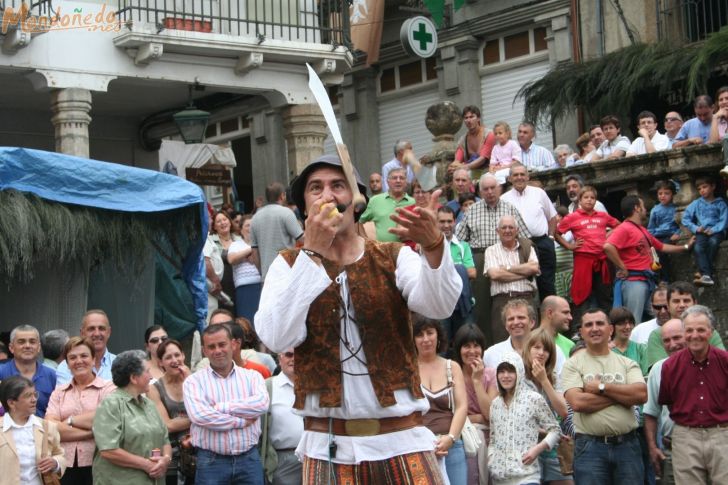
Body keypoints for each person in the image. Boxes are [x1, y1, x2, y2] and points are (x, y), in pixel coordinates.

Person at [255, 154, 462, 484]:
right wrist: (311, 255)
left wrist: (434, 245)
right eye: (315, 188)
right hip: (327, 447)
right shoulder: (288, 264)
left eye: (338, 185)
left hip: (402, 442)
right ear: (304, 208)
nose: (328, 196)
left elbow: (440, 306)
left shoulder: (392, 256)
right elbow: (277, 337)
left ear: (356, 200)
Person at [561, 309, 647, 484]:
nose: (594, 328)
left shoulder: (627, 363)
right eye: (588, 325)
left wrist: (602, 387)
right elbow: (578, 403)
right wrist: (622, 394)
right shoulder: (572, 365)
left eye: (600, 323)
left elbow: (641, 394)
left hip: (628, 446)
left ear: (610, 329)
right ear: (581, 332)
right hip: (590, 448)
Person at [184, 325, 268, 484]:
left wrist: (221, 408)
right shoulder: (193, 382)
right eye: (211, 347)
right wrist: (241, 421)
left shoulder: (253, 377)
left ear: (233, 345)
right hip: (211, 462)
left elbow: (262, 404)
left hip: (249, 460)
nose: (217, 350)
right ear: (204, 351)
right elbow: (200, 416)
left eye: (222, 344)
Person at [456, 173, 531, 344]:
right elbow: (460, 241)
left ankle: (510, 343)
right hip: (480, 257)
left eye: (492, 188)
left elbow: (525, 237)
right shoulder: (472, 210)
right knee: (481, 306)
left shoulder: (510, 208)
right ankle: (486, 346)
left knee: (505, 303)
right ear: (480, 191)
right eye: (485, 189)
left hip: (505, 255)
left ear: (499, 188)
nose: (490, 192)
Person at [658, 305, 728, 484]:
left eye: (701, 330)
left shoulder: (725, 361)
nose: (694, 335)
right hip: (685, 436)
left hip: (722, 434)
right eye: (689, 330)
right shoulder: (670, 366)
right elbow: (669, 402)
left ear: (711, 332)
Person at [603, 195, 692, 323]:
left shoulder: (641, 230)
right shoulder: (624, 228)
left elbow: (661, 246)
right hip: (634, 282)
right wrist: (622, 267)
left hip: (648, 281)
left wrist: (685, 246)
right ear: (637, 208)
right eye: (643, 206)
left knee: (661, 318)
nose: (645, 209)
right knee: (633, 320)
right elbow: (608, 246)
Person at [92, 350, 172, 484]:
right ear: (134, 378)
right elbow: (108, 450)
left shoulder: (149, 405)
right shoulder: (111, 404)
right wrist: (146, 465)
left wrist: (166, 460)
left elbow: (165, 439)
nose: (151, 376)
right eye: (147, 371)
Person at [46, 337, 115, 485]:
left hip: (98, 463)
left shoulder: (108, 388)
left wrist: (70, 421)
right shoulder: (59, 392)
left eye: (84, 356)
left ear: (93, 359)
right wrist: (92, 432)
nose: (79, 361)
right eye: (72, 357)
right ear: (67, 363)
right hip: (65, 464)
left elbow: (105, 418)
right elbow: (50, 427)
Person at [488, 352, 561, 485]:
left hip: (527, 476)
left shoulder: (533, 398)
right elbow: (493, 439)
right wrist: (491, 459)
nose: (505, 376)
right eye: (501, 371)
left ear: (519, 372)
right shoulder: (495, 404)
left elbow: (555, 430)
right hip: (499, 478)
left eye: (511, 371)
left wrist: (537, 449)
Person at [414, 317, 468, 485]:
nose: (426, 339)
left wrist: (450, 438)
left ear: (438, 336)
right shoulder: (409, 369)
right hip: (419, 447)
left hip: (452, 444)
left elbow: (462, 406)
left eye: (430, 333)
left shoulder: (452, 366)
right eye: (420, 335)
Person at [555, 185, 619, 316]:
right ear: (580, 200)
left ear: (596, 200)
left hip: (602, 259)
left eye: (592, 198)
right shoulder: (571, 217)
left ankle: (606, 323)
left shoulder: (603, 216)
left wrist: (607, 237)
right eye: (586, 197)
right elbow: (556, 233)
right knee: (582, 294)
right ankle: (581, 326)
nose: (589, 200)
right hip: (582, 260)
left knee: (605, 294)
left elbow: (619, 226)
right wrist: (569, 246)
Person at [501, 163, 557, 301]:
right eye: (515, 175)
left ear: (527, 176)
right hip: (519, 246)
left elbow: (552, 217)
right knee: (523, 285)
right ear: (509, 178)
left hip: (542, 243)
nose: (519, 177)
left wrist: (550, 237)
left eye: (522, 174)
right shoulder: (504, 199)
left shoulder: (539, 193)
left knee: (547, 285)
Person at [522, 329, 571, 485]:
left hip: (553, 450)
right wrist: (547, 432)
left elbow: (563, 411)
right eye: (536, 347)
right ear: (527, 349)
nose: (541, 353)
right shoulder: (517, 377)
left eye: (546, 349)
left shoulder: (554, 378)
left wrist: (544, 381)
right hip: (526, 447)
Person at [452, 324, 497, 485]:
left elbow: (491, 415)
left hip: (490, 438)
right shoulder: (451, 374)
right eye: (466, 346)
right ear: (458, 349)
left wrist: (477, 381)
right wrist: (477, 418)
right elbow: (451, 416)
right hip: (462, 437)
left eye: (476, 345)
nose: (472, 351)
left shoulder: (490, 374)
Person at [0, 375, 66, 485]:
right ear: (11, 403)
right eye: (27, 396)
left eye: (35, 394)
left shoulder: (47, 427)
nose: (34, 399)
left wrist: (55, 463)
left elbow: (60, 455)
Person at [645, 281, 725, 368]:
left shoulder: (708, 331)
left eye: (686, 301)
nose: (682, 305)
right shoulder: (657, 335)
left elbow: (722, 362)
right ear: (667, 305)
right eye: (676, 301)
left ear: (695, 303)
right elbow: (659, 369)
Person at [643, 318, 684, 485]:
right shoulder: (659, 369)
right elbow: (650, 412)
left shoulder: (715, 363)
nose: (672, 344)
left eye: (677, 338)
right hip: (673, 449)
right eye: (666, 340)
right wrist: (653, 448)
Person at [484, 215, 539, 338]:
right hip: (502, 301)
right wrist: (524, 274)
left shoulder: (527, 247)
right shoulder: (491, 251)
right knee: (502, 341)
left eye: (511, 227)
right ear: (497, 231)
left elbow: (534, 268)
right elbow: (495, 274)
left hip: (527, 299)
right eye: (504, 228)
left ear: (517, 230)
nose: (507, 230)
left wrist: (508, 268)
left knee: (531, 342)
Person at [147, 339, 191, 485]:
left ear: (183, 356)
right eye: (168, 357)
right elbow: (166, 425)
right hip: (170, 453)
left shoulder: (196, 380)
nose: (174, 360)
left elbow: (210, 410)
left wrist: (190, 382)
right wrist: (198, 418)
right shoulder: (155, 388)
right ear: (160, 363)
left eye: (177, 355)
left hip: (199, 452)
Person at [259, 348, 303, 485]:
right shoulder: (267, 386)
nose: (294, 359)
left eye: (299, 354)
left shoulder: (315, 385)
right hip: (283, 459)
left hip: (316, 455)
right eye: (289, 354)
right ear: (279, 358)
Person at [250, 181, 304, 280]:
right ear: (283, 196)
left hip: (267, 277)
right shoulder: (287, 213)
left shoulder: (255, 218)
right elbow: (303, 240)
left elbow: (254, 252)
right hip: (287, 273)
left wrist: (262, 272)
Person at [438, 206, 476, 345]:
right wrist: (459, 269)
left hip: (463, 303)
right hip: (440, 305)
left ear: (455, 222)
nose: (446, 225)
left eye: (449, 221)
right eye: (442, 221)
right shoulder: (429, 247)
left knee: (468, 343)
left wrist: (445, 270)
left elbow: (472, 272)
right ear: (436, 223)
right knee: (442, 347)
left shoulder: (463, 245)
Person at [0, 325, 56, 417]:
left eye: (32, 342)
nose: (27, 346)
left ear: (38, 347)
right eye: (21, 342)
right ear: (11, 348)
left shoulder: (51, 375)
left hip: (42, 430)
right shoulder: (1, 372)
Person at [682, 175, 728, 286]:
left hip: (717, 232)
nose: (702, 190)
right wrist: (696, 228)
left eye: (705, 187)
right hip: (701, 231)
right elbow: (685, 219)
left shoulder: (721, 203)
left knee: (713, 243)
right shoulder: (696, 203)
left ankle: (704, 272)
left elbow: (724, 220)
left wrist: (714, 229)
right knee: (698, 247)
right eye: (699, 189)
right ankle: (707, 274)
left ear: (713, 187)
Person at [56, 309, 116, 386]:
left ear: (109, 332)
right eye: (91, 329)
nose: (97, 334)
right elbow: (65, 397)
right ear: (82, 333)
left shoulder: (120, 365)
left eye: (101, 328)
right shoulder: (67, 366)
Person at [359, 167, 414, 242]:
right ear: (388, 182)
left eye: (401, 178)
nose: (398, 181)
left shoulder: (413, 202)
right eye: (394, 178)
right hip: (383, 252)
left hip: (409, 250)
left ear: (406, 182)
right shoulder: (375, 201)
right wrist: (366, 240)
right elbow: (358, 221)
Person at [227, 217, 263, 322]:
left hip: (262, 284)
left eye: (253, 225)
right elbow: (232, 259)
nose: (250, 228)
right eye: (247, 225)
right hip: (244, 288)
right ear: (241, 230)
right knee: (247, 320)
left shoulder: (262, 244)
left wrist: (245, 256)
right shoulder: (235, 245)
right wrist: (251, 250)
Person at [647, 180, 681, 283]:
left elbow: (682, 224)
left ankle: (666, 278)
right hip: (658, 236)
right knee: (653, 253)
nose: (663, 196)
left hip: (670, 236)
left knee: (662, 251)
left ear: (673, 194)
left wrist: (678, 233)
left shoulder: (676, 208)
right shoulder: (655, 210)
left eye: (667, 193)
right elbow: (651, 229)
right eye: (660, 193)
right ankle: (658, 278)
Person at [210, 211, 242, 315]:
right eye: (218, 221)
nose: (223, 223)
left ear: (229, 221)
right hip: (222, 285)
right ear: (214, 226)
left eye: (225, 219)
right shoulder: (211, 242)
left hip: (239, 281)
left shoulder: (239, 239)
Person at [451, 105, 496, 173]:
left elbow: (483, 159)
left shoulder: (489, 134)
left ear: (478, 118)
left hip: (489, 172)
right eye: (466, 118)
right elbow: (457, 161)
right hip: (470, 174)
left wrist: (464, 167)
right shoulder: (462, 140)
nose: (469, 120)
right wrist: (452, 167)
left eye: (472, 117)